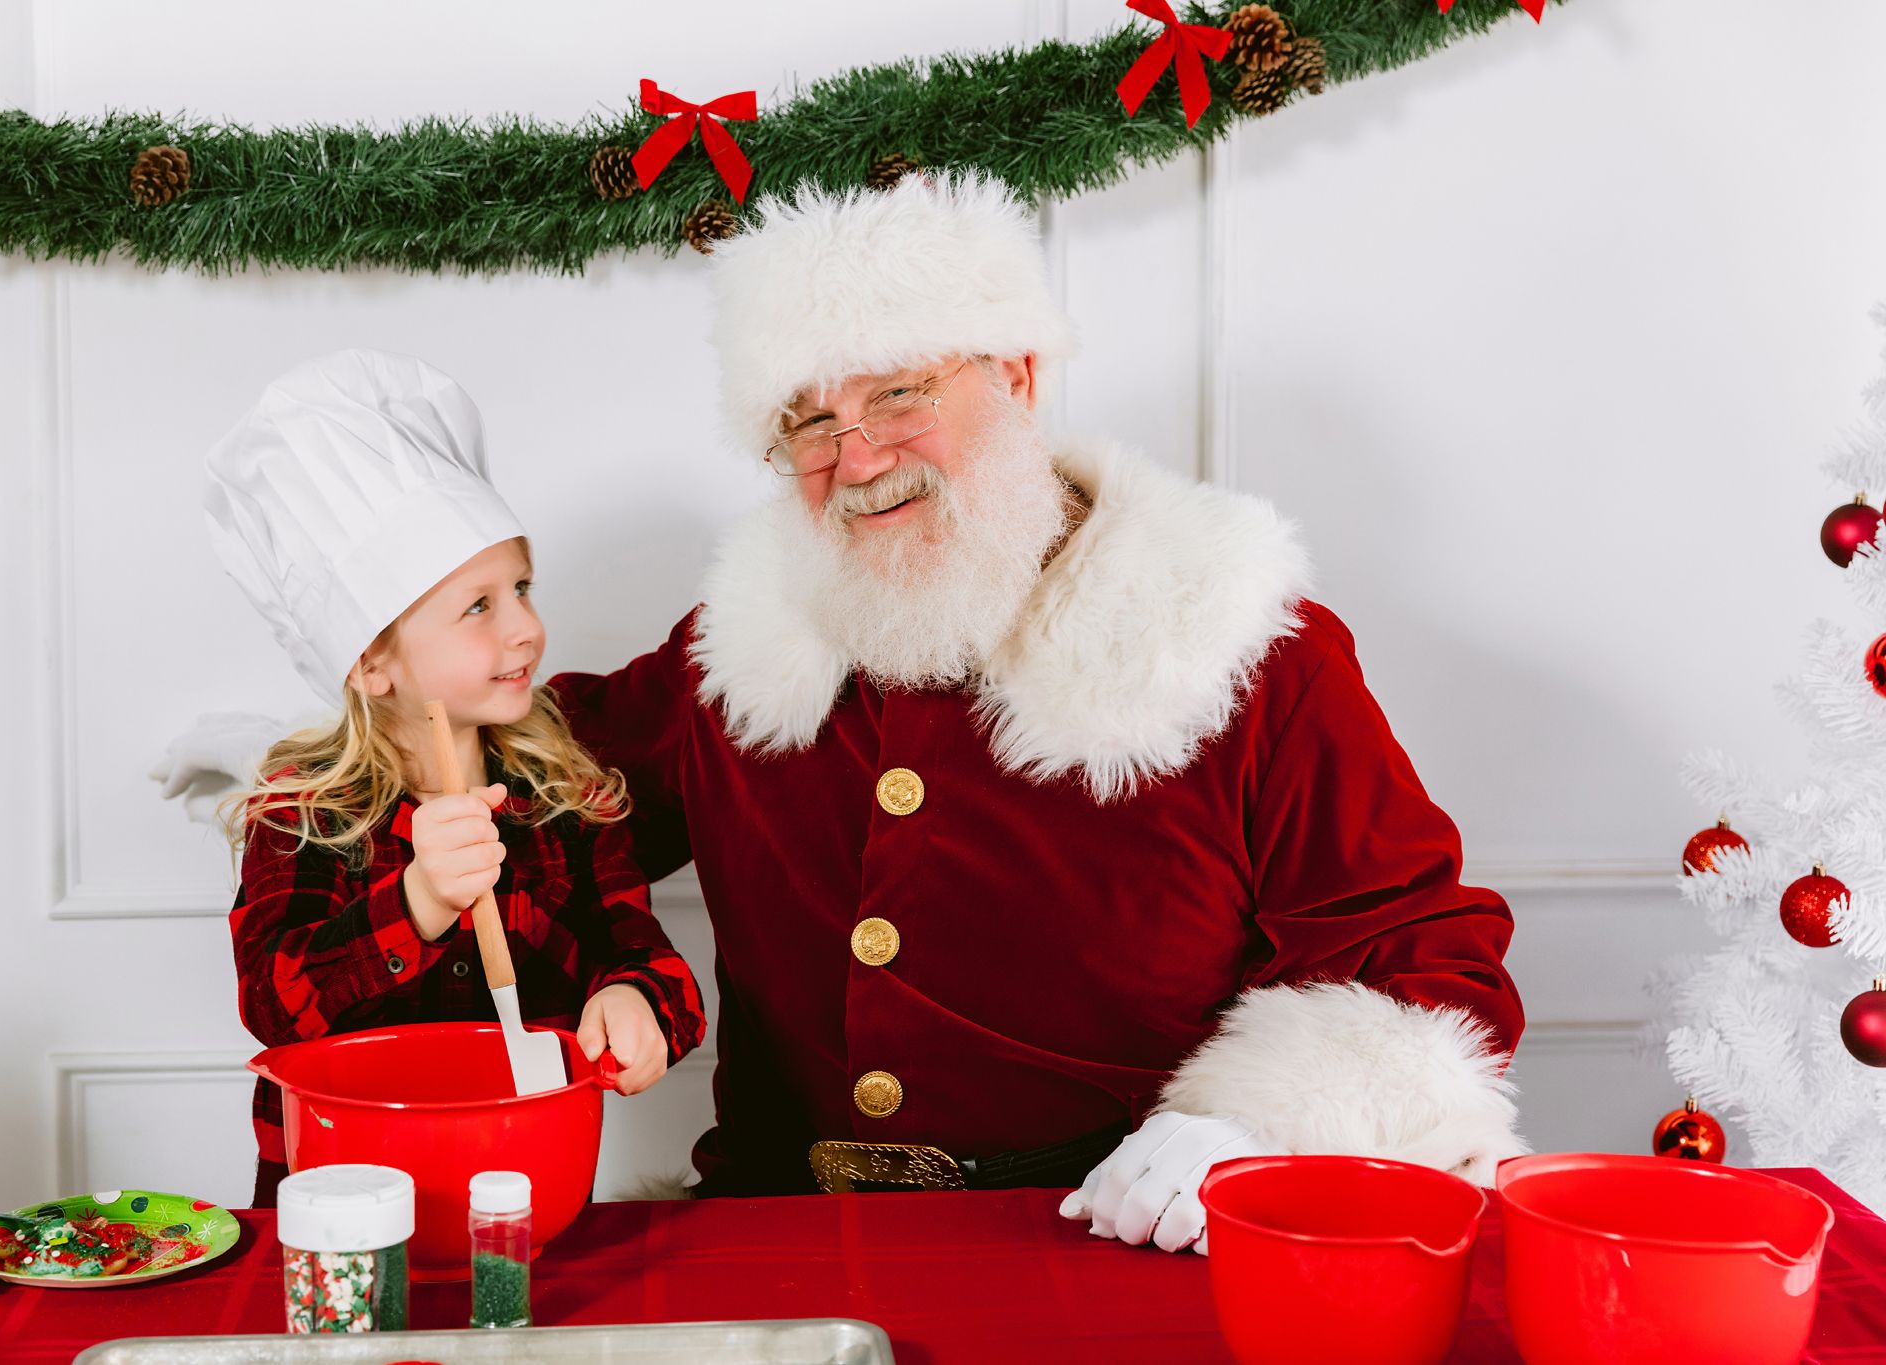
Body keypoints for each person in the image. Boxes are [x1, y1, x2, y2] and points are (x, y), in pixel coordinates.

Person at [159, 176, 1524, 1252]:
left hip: (1092, 1247)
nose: (855, 458)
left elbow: (1430, 968)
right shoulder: (745, 644)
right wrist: (339, 755)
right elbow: (543, 780)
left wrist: (1257, 1133)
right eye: (806, 422)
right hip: (780, 1237)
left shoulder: (1243, 648)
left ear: (1022, 380)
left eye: (899, 393)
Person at [203, 349, 706, 1206]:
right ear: (371, 661)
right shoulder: (301, 814)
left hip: (525, 1187)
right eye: (479, 605)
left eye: (521, 588)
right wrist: (419, 897)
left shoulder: (567, 798)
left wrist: (640, 999)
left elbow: (641, 952)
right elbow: (277, 1006)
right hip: (342, 1208)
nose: (527, 630)